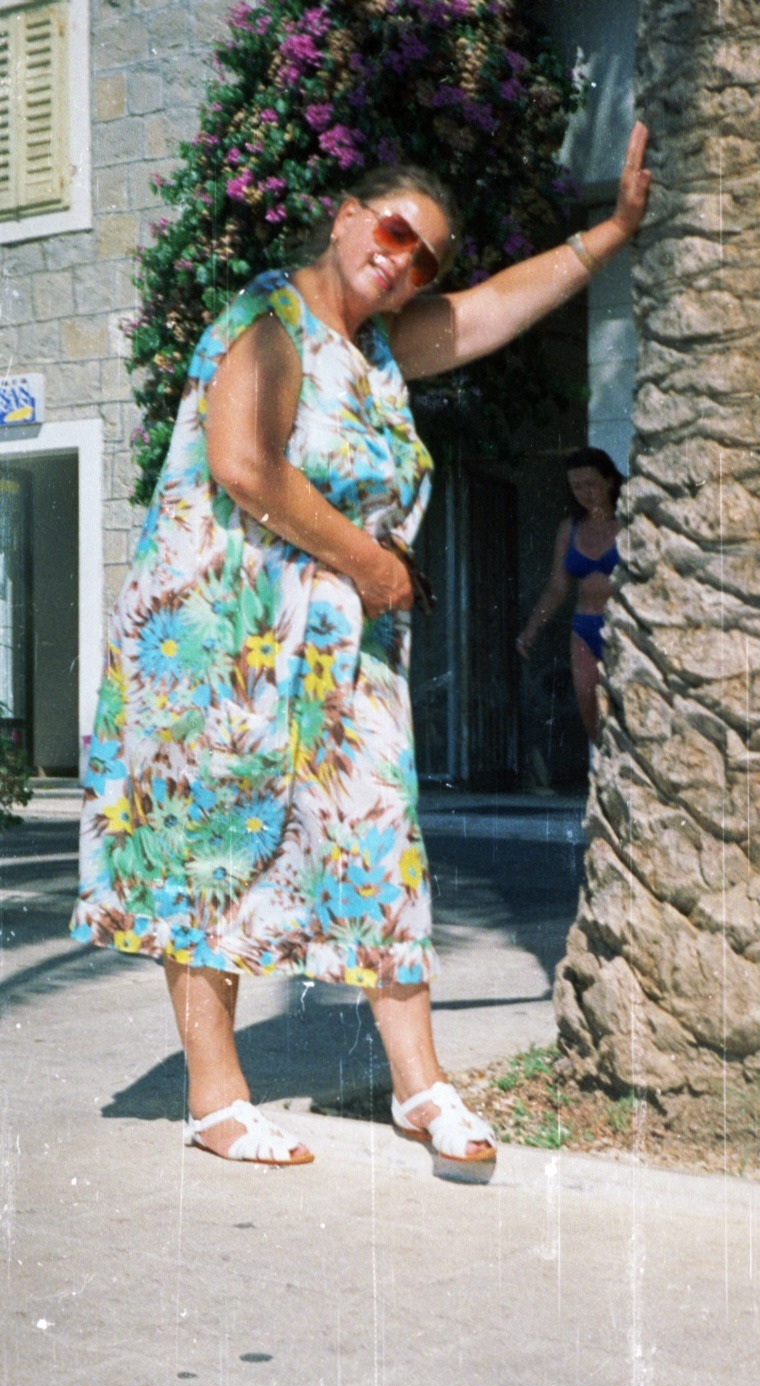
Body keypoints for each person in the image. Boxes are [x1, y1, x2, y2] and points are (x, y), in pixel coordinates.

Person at [71, 124, 651, 1176]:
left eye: (423, 255)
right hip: (223, 637)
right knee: (212, 848)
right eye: (392, 232)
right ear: (345, 215)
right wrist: (375, 566)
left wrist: (607, 234)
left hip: (339, 646)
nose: (403, 261)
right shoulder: (266, 317)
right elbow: (243, 464)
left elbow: (488, 312)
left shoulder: (379, 343)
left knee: (381, 839)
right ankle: (215, 1097)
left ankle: (419, 1082)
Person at [516, 448, 624, 745]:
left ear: (609, 481)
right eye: (576, 486)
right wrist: (532, 628)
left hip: (623, 630)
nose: (583, 492)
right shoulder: (570, 529)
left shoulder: (628, 524)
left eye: (590, 483)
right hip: (584, 628)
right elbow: (557, 587)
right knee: (591, 714)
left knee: (628, 712)